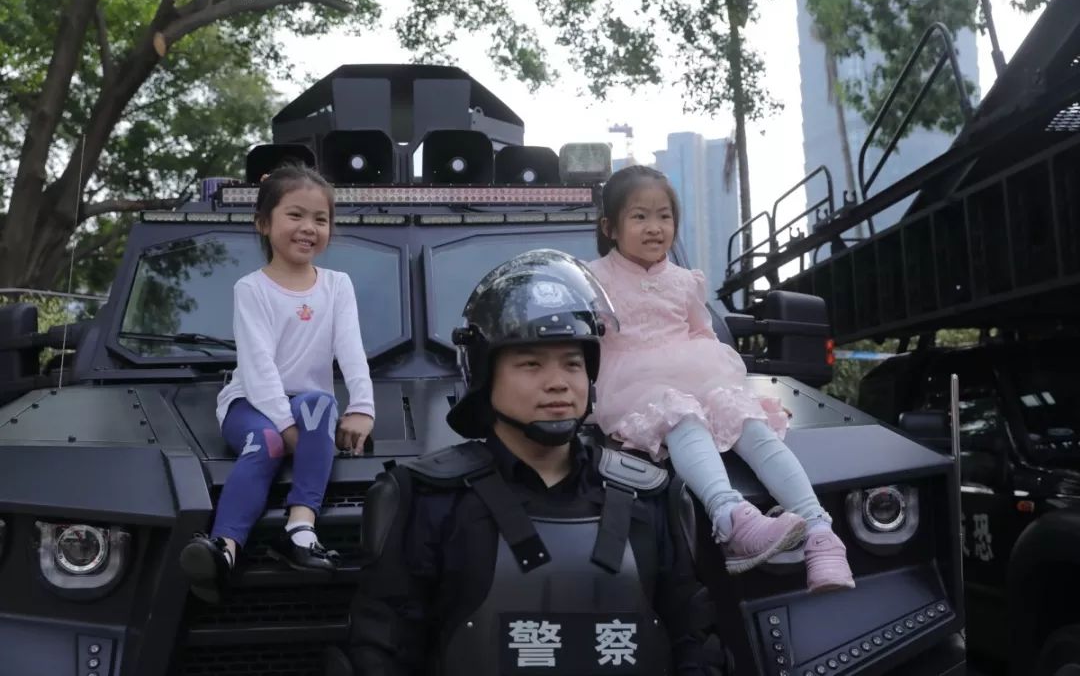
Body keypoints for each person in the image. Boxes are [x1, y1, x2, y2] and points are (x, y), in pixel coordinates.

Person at [345, 249, 721, 676]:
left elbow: (695, 645)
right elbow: (383, 654)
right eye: (531, 364)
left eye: (572, 364)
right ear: (485, 376)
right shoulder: (426, 500)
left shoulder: (651, 499)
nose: (558, 383)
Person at [588, 165, 854, 594]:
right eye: (639, 216)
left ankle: (821, 534)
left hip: (696, 372)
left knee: (748, 422)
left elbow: (702, 334)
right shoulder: (593, 279)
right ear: (610, 228)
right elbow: (584, 341)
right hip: (634, 383)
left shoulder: (685, 281)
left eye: (664, 216)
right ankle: (732, 518)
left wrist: (726, 386)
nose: (654, 227)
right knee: (683, 418)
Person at [179, 165, 375, 603]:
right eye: (295, 215)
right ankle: (223, 549)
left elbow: (351, 350)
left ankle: (300, 529)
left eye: (320, 219)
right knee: (266, 443)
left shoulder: (337, 286)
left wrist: (362, 407)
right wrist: (288, 429)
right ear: (263, 223)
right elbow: (258, 366)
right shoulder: (252, 289)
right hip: (250, 402)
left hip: (307, 405)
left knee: (321, 404)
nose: (309, 228)